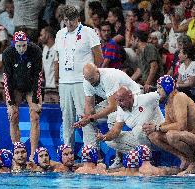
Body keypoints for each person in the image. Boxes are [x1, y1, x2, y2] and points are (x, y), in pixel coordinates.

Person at [73, 63, 141, 168]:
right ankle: (94, 158)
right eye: (88, 79)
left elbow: (113, 107)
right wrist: (86, 118)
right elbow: (89, 105)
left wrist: (91, 118)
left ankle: (119, 158)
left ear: (97, 72)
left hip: (132, 98)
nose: (91, 82)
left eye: (92, 79)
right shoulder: (87, 81)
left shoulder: (108, 77)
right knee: (86, 122)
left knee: (112, 118)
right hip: (114, 100)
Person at [54, 5, 103, 148]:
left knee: (86, 117)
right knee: (67, 119)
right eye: (66, 20)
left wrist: (92, 79)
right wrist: (58, 79)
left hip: (83, 82)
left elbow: (99, 58)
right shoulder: (59, 34)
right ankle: (67, 152)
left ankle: (91, 152)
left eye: (72, 20)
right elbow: (58, 59)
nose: (69, 23)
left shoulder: (89, 32)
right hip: (64, 83)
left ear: (78, 19)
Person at [142, 75, 195, 175]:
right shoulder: (167, 102)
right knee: (153, 135)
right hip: (187, 138)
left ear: (168, 87)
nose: (157, 91)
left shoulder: (179, 97)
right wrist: (153, 127)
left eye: (160, 87)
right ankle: (184, 158)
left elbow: (181, 126)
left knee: (171, 135)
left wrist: (157, 127)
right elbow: (168, 124)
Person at [3, 31, 43, 161]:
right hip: (15, 87)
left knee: (35, 116)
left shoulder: (35, 50)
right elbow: (6, 78)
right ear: (14, 44)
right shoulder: (8, 53)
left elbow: (38, 76)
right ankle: (17, 153)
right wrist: (10, 104)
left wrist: (36, 101)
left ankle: (33, 155)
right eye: (18, 46)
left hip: (31, 86)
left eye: (24, 45)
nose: (21, 49)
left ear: (28, 43)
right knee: (13, 116)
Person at [96, 86, 164, 160]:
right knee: (110, 141)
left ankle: (146, 159)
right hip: (141, 138)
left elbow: (164, 94)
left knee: (138, 130)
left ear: (130, 96)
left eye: (121, 100)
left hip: (157, 137)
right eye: (117, 101)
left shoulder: (146, 99)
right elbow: (115, 130)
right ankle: (140, 156)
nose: (119, 104)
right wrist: (104, 137)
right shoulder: (121, 108)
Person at [39, 26, 59, 103]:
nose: (40, 37)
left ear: (47, 35)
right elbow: (42, 66)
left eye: (42, 35)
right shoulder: (45, 48)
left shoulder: (57, 48)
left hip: (56, 88)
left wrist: (57, 84)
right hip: (47, 88)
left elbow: (57, 66)